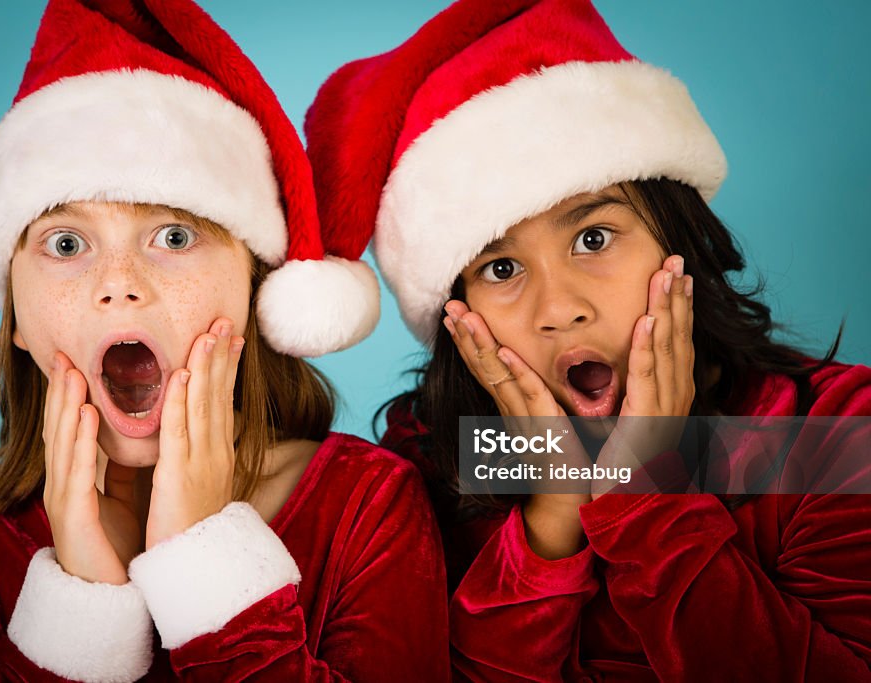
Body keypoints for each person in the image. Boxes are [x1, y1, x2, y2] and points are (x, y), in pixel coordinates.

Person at [305, 0, 871, 680]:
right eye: (502, 268)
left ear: (678, 238)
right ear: (459, 314)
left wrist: (646, 495)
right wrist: (553, 511)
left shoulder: (833, 432)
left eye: (593, 238)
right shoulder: (439, 460)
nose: (560, 308)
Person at [0, 1, 448, 681]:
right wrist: (81, 605)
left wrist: (205, 558)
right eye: (67, 243)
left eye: (175, 236)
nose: (119, 284)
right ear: (15, 314)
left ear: (253, 286)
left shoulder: (368, 503)